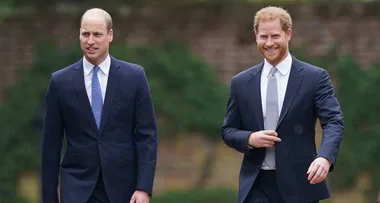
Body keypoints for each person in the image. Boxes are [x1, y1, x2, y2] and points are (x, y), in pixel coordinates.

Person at [221, 6, 344, 203]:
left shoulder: (315, 78)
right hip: (256, 185)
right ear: (256, 36)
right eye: (264, 37)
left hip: (301, 184)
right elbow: (228, 130)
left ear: (288, 34)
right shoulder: (241, 82)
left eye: (275, 36)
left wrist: (325, 158)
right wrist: (250, 137)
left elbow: (333, 122)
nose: (269, 43)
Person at [41, 8, 158, 203]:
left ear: (110, 35)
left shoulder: (134, 77)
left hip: (124, 187)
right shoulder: (60, 82)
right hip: (76, 186)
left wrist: (143, 188)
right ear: (79, 34)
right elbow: (50, 145)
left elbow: (147, 135)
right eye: (85, 34)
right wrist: (49, 197)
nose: (90, 41)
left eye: (97, 34)